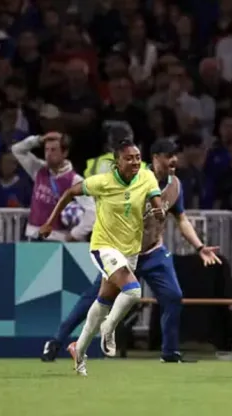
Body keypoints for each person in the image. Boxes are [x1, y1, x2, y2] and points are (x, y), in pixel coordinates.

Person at [40, 138, 221, 363]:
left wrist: (200, 247)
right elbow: (78, 192)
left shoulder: (174, 186)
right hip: (122, 253)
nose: (174, 159)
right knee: (93, 300)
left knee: (173, 297)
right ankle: (56, 341)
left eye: (176, 154)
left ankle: (170, 353)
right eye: (169, 155)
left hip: (154, 252)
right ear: (155, 158)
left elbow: (181, 219)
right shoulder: (130, 177)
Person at [39, 139, 165, 376]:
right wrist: (49, 222)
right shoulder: (103, 182)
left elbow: (156, 201)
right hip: (104, 247)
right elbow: (69, 193)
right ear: (117, 162)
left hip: (130, 251)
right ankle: (109, 328)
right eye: (129, 158)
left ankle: (79, 353)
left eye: (137, 157)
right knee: (133, 292)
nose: (135, 161)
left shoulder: (147, 176)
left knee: (102, 302)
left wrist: (159, 211)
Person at [11, 131, 95, 242]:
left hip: (56, 239)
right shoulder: (38, 169)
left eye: (53, 150)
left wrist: (75, 234)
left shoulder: (74, 180)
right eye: (46, 150)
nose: (48, 154)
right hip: (33, 236)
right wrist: (38, 139)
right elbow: (17, 150)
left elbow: (92, 211)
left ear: (65, 153)